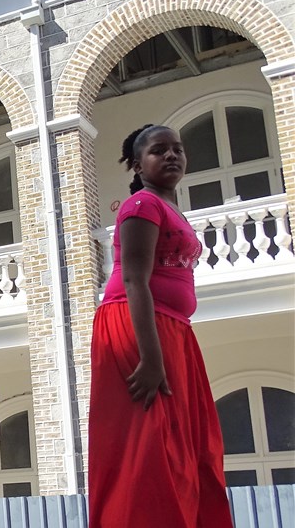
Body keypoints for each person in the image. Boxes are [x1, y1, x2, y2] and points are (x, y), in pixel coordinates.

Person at [88, 125, 231, 527]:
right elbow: (134, 279)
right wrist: (151, 359)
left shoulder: (169, 208)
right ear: (137, 163)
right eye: (158, 150)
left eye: (178, 149)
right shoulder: (141, 206)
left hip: (174, 330)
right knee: (150, 445)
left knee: (189, 442)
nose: (171, 156)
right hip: (139, 327)